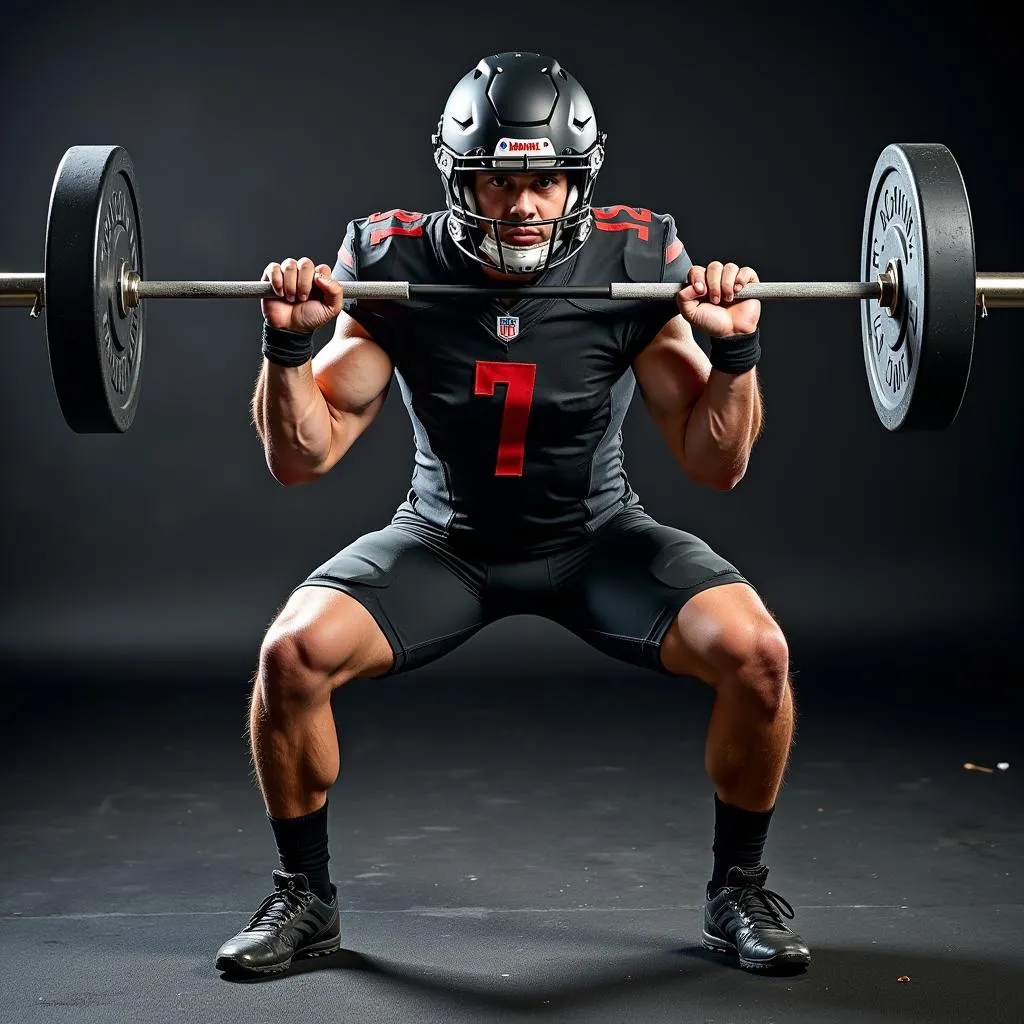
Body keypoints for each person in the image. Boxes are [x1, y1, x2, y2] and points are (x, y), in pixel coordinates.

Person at [215, 51, 810, 977]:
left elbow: (714, 462)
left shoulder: (640, 256)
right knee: (290, 656)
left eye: (545, 180)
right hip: (441, 545)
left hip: (597, 542)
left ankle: (738, 888)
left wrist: (736, 360)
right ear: (461, 176)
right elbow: (304, 456)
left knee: (759, 657)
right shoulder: (389, 260)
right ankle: (306, 898)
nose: (524, 205)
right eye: (500, 181)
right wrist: (286, 349)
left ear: (581, 179)